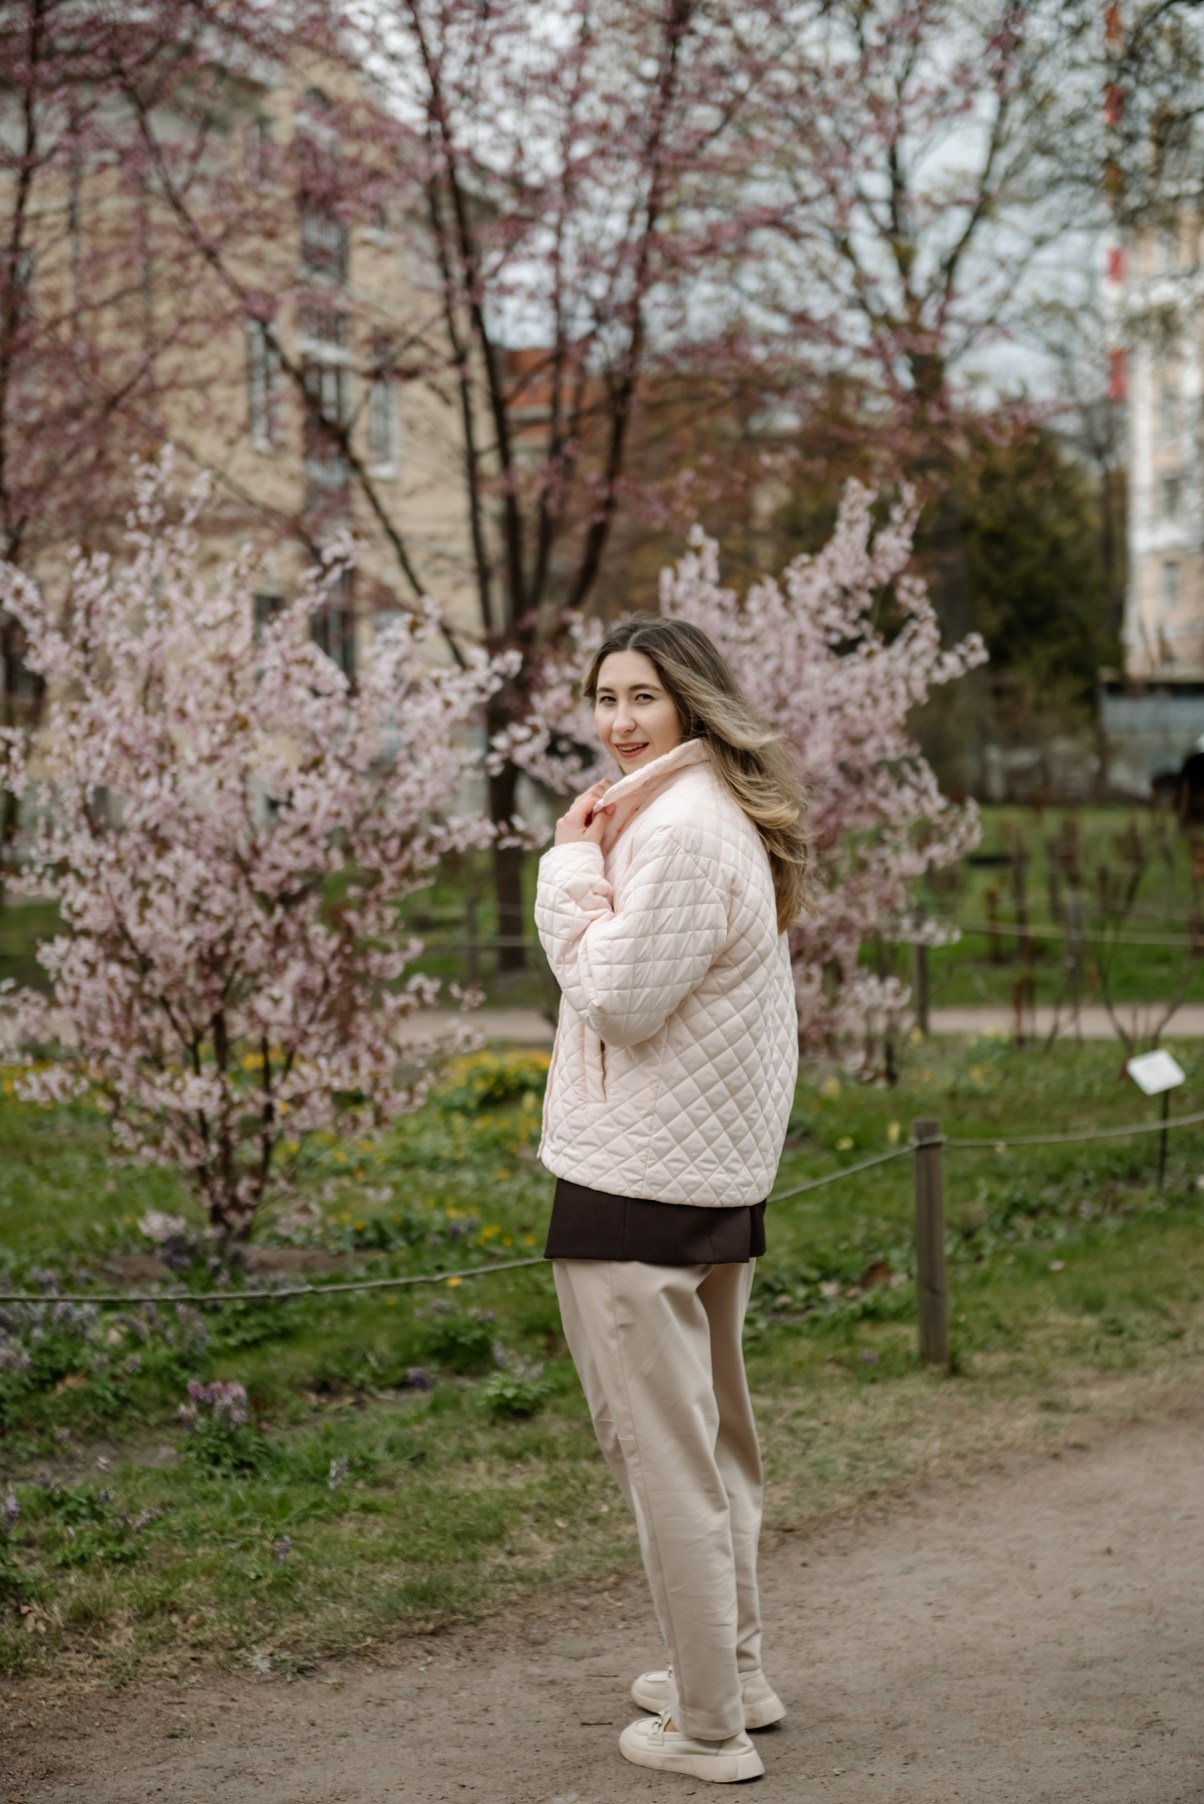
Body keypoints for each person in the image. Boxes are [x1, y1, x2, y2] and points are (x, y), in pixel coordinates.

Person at [534, 616, 809, 1784]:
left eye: (642, 695)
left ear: (692, 702)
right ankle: (732, 1671)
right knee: (714, 1448)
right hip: (696, 1181)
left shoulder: (679, 828)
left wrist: (562, 868)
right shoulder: (694, 815)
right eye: (604, 695)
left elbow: (620, 998)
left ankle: (706, 1729)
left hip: (636, 1189)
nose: (617, 720)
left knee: (670, 1465)